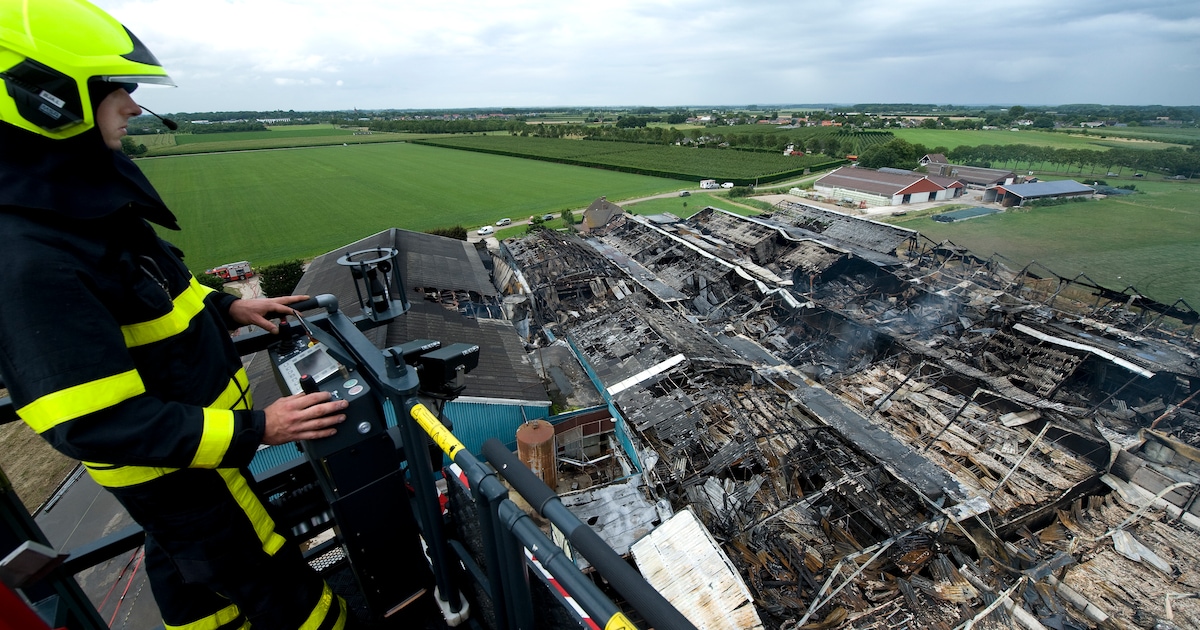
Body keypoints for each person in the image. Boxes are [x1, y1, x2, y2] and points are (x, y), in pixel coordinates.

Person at [0, 1, 354, 627]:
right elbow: (95, 421)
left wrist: (229, 306)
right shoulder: (25, 257)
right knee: (280, 588)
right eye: (118, 92)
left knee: (197, 590)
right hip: (185, 475)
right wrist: (257, 430)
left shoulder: (68, 203)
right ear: (48, 99)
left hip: (192, 465)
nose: (133, 108)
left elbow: (154, 291)